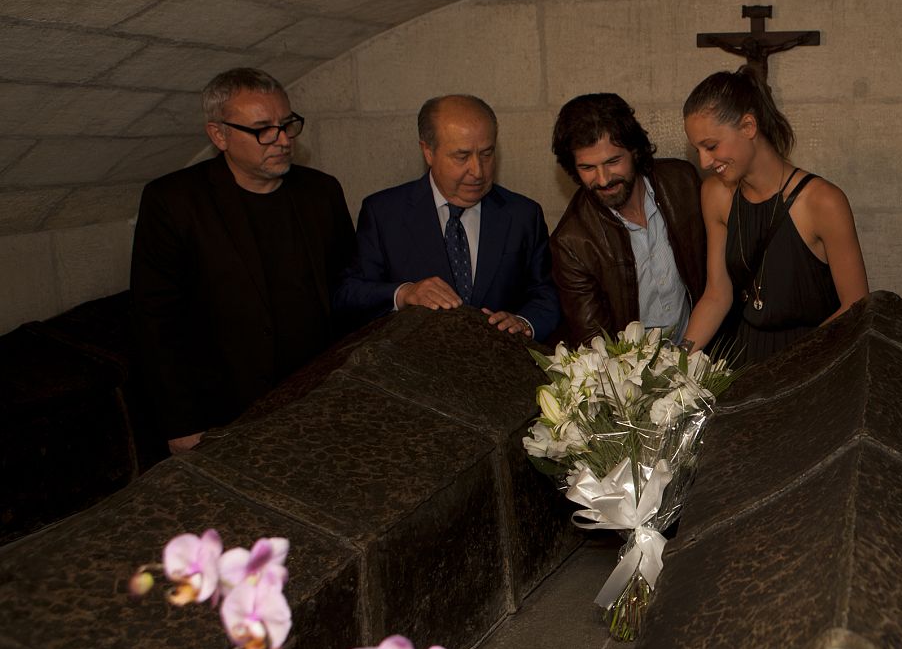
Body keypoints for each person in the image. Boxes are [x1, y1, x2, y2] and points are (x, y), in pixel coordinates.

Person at [131, 67, 355, 454]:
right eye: (263, 129)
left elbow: (348, 288)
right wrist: (182, 425)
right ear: (219, 135)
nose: (282, 140)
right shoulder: (173, 202)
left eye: (287, 124)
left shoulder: (322, 192)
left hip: (317, 402)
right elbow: (156, 324)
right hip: (222, 414)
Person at [679, 67, 868, 364]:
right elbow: (717, 295)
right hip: (744, 356)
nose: (704, 161)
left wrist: (792, 365)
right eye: (698, 149)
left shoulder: (823, 201)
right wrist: (672, 363)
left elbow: (856, 306)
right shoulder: (715, 194)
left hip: (814, 357)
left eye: (711, 146)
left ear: (749, 127)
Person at [336, 95, 560, 340]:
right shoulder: (383, 213)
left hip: (501, 370)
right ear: (428, 152)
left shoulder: (523, 215)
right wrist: (404, 293)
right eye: (462, 157)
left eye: (486, 154)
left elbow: (545, 294)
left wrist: (524, 322)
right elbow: (349, 295)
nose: (477, 171)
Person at [548, 93, 706, 345]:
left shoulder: (682, 183)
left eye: (612, 161)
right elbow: (595, 341)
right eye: (587, 168)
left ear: (634, 150)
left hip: (703, 351)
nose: (603, 179)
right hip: (632, 375)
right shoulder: (571, 241)